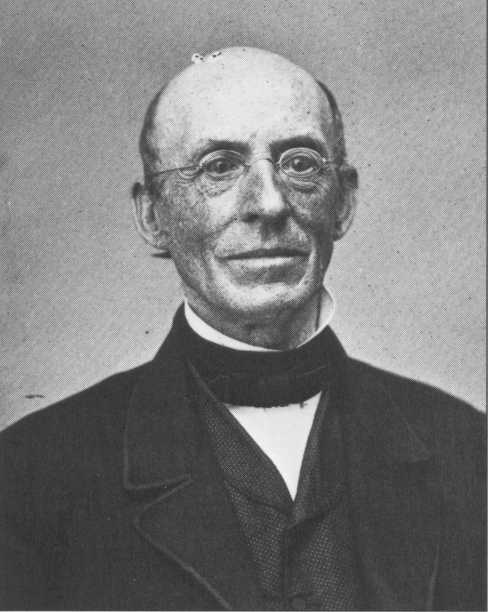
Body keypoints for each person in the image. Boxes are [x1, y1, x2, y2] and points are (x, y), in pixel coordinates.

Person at [0, 47, 485, 611]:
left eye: (300, 163)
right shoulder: (29, 475)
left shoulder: (469, 452)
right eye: (219, 166)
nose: (270, 204)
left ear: (344, 202)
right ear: (153, 215)